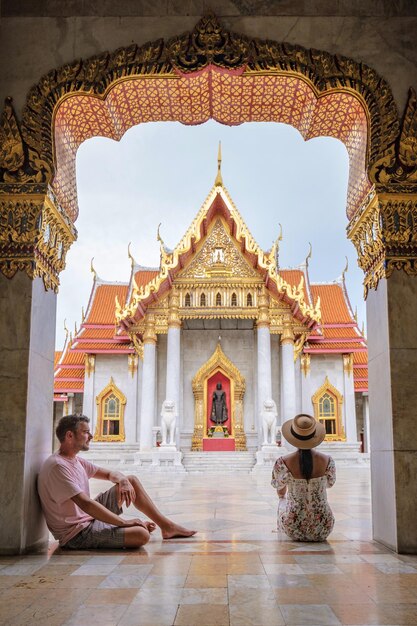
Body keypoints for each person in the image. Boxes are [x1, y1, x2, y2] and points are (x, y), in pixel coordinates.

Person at [38, 414, 196, 549]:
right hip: (76, 533)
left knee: (131, 480)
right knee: (141, 535)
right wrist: (124, 523)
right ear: (69, 436)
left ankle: (167, 527)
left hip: (87, 517)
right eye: (86, 432)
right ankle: (124, 527)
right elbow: (86, 503)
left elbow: (109, 474)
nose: (91, 436)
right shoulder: (58, 466)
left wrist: (123, 480)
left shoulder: (75, 460)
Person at [271, 413, 336, 542]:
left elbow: (279, 488)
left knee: (282, 500)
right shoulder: (327, 460)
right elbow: (329, 484)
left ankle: (280, 529)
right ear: (315, 435)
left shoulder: (283, 462)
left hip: (293, 527)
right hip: (323, 527)